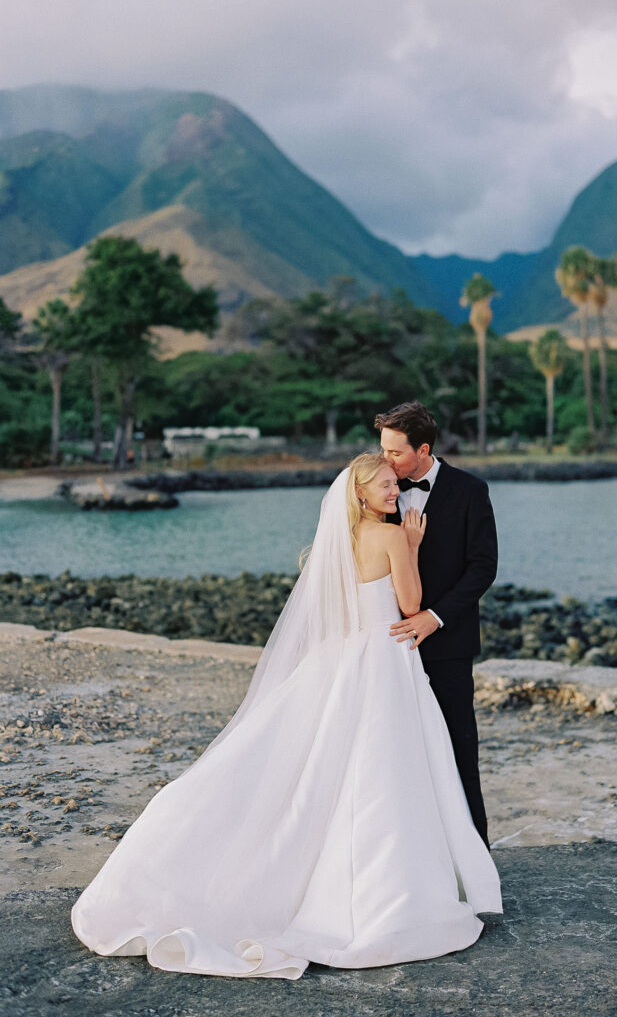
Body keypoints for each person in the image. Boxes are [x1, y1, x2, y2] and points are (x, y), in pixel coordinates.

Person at [71, 453, 502, 980]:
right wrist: (410, 544)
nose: (396, 491)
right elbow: (410, 604)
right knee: (383, 773)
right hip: (385, 658)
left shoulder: (337, 541)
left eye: (396, 482)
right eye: (387, 485)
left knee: (329, 768)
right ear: (361, 493)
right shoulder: (390, 537)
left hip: (342, 659)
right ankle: (388, 886)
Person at [374, 402, 498, 848]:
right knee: (394, 757)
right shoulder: (377, 491)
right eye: (382, 450)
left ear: (423, 449)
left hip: (448, 646)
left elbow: (483, 568)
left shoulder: (470, 491)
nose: (385, 461)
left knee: (458, 751)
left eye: (395, 453)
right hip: (387, 648)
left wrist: (435, 616)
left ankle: (475, 862)